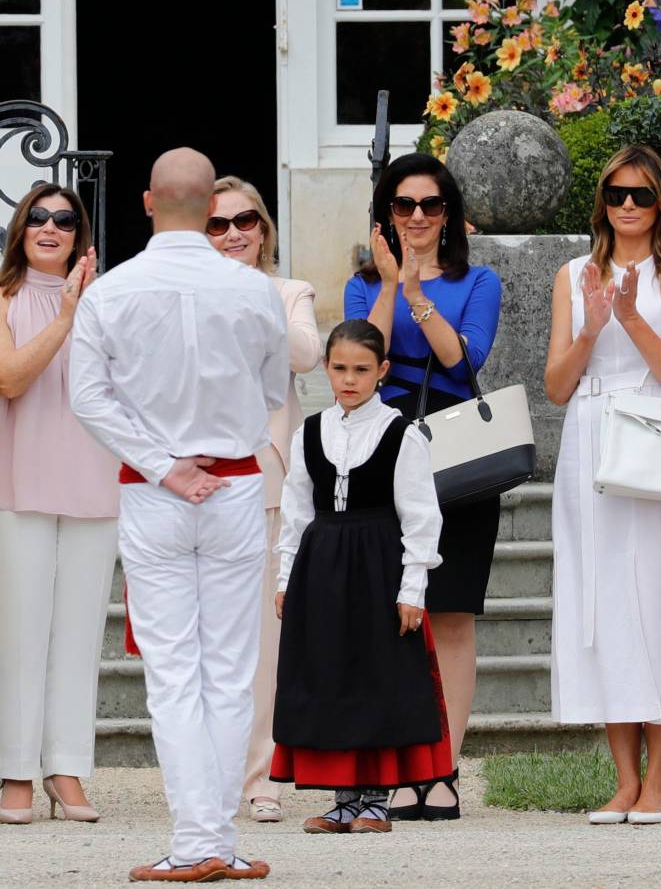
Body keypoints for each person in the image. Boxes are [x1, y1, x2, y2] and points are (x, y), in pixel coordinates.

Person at [70, 147, 287, 882]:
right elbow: (273, 390)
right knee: (227, 671)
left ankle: (199, 839)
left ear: (148, 201)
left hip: (155, 488)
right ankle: (213, 837)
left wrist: (165, 463)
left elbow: (87, 398)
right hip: (228, 485)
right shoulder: (252, 289)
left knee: (175, 672)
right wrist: (206, 450)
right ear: (208, 206)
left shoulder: (113, 290)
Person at [544, 146, 661, 825]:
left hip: (658, 444)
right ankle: (623, 780)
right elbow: (558, 386)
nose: (627, 206)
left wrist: (631, 316)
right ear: (602, 201)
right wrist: (592, 323)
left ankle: (660, 785)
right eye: (616, 193)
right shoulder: (572, 274)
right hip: (590, 444)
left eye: (641, 195)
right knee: (602, 605)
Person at [343, 151, 502, 819]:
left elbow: (463, 363)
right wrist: (388, 286)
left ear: (449, 215)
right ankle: (403, 763)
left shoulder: (480, 280)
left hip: (457, 449)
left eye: (430, 206)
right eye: (403, 206)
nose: (416, 218)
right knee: (392, 613)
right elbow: (362, 363)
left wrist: (414, 291)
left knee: (452, 615)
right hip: (383, 448)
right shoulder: (360, 285)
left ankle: (442, 770)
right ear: (386, 215)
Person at [270, 319, 450, 835]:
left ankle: (375, 799)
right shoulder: (310, 433)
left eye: (362, 370)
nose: (350, 379)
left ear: (382, 371)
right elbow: (297, 511)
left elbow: (421, 517)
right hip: (322, 567)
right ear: (326, 368)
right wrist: (286, 579)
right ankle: (343, 798)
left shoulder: (401, 433)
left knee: (376, 675)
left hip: (377, 565)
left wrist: (411, 588)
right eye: (340, 368)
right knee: (330, 673)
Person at [0, 185, 117, 824]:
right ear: (20, 229)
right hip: (16, 482)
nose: (52, 227)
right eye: (39, 217)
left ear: (80, 234)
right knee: (17, 634)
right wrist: (64, 316)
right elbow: (7, 378)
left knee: (79, 636)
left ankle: (68, 769)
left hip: (95, 482)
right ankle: (18, 772)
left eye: (66, 219)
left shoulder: (109, 304)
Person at [205, 175, 321, 824]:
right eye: (218, 225)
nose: (232, 234)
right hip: (195, 482)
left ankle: (259, 777)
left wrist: (253, 299)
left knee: (263, 646)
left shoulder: (287, 292)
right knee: (208, 641)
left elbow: (306, 353)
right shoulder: (184, 293)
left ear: (263, 228)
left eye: (244, 221)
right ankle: (208, 775)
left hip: (269, 480)